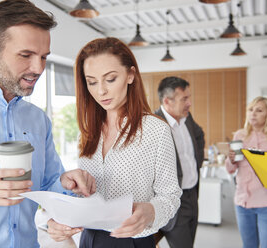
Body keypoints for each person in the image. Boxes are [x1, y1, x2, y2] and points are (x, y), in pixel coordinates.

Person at [0, 1, 96, 247]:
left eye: (43, 57)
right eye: (26, 55)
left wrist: (65, 182)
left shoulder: (38, 119)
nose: (38, 68)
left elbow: (50, 185)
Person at [47, 37, 182, 247]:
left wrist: (151, 211)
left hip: (133, 241)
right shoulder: (87, 132)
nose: (101, 91)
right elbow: (86, 198)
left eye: (110, 79)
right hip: (90, 238)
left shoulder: (156, 130)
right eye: (92, 82)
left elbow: (171, 196)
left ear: (130, 75)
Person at [225, 96, 267, 248]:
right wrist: (231, 159)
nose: (253, 114)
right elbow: (230, 169)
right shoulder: (240, 136)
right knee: (248, 245)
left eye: (259, 110)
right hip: (242, 202)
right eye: (250, 110)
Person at [153, 76, 205, 248]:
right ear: (167, 101)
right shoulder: (153, 124)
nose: (189, 103)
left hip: (192, 195)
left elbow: (199, 135)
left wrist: (196, 164)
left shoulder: (186, 118)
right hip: (173, 201)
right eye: (185, 99)